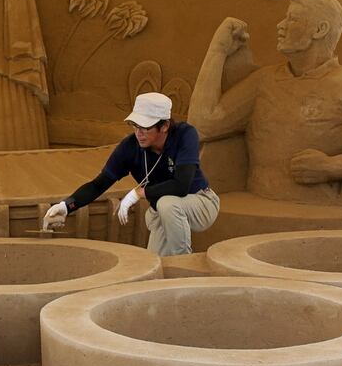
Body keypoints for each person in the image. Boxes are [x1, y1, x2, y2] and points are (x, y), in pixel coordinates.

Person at [188, 0, 342, 206]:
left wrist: (332, 166)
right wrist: (217, 50)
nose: (281, 25)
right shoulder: (265, 81)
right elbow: (203, 125)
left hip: (321, 212)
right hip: (263, 202)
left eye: (292, 19)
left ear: (319, 30)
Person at [42, 92, 219, 256]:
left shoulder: (185, 134)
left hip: (201, 202)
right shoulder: (130, 147)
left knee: (167, 204)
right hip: (163, 213)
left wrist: (138, 193)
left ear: (164, 126)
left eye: (145, 127)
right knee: (155, 263)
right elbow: (99, 184)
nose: (138, 133)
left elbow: (181, 186)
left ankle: (184, 262)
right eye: (135, 126)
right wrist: (66, 206)